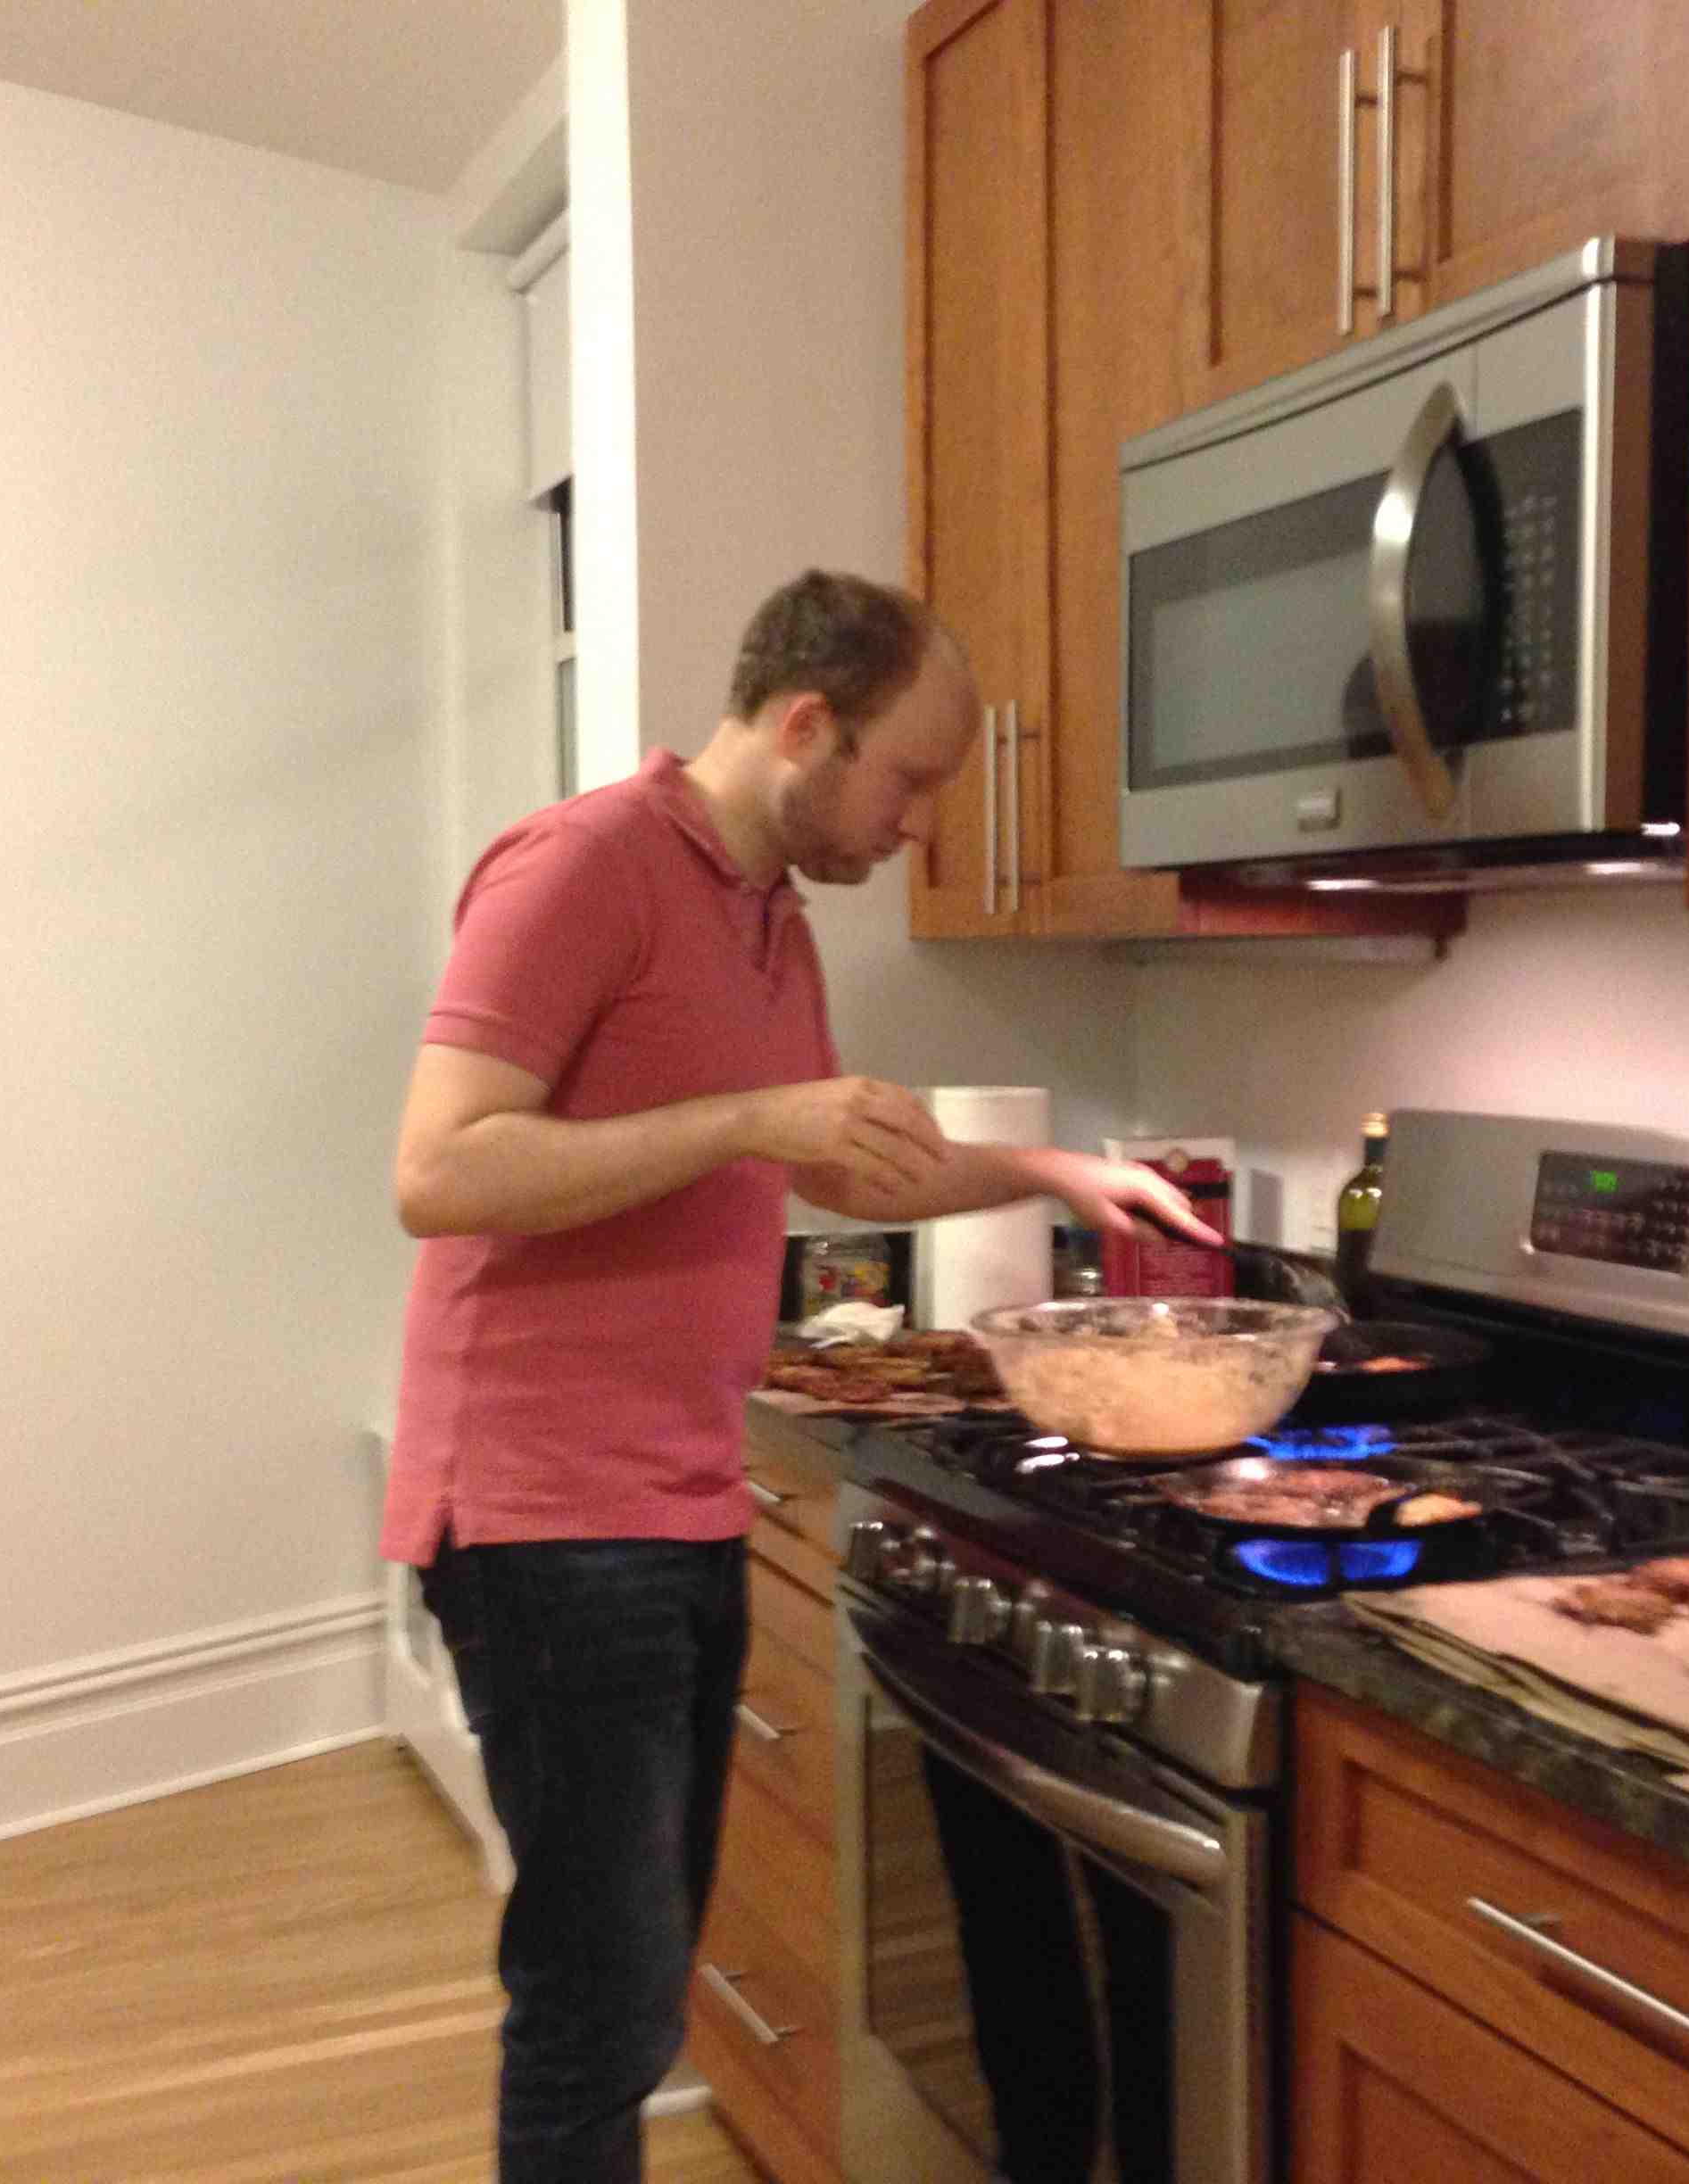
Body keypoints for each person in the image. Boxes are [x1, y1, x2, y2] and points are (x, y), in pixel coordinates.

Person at [381, 568, 1218, 2183]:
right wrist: (752, 1120)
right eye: (910, 777)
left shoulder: (765, 915)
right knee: (596, 2013)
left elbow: (844, 1166)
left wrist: (1059, 1171)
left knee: (635, 1983)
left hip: (675, 1495)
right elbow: (440, 1171)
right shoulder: (584, 866)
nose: (920, 822)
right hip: (548, 1516)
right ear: (808, 726)